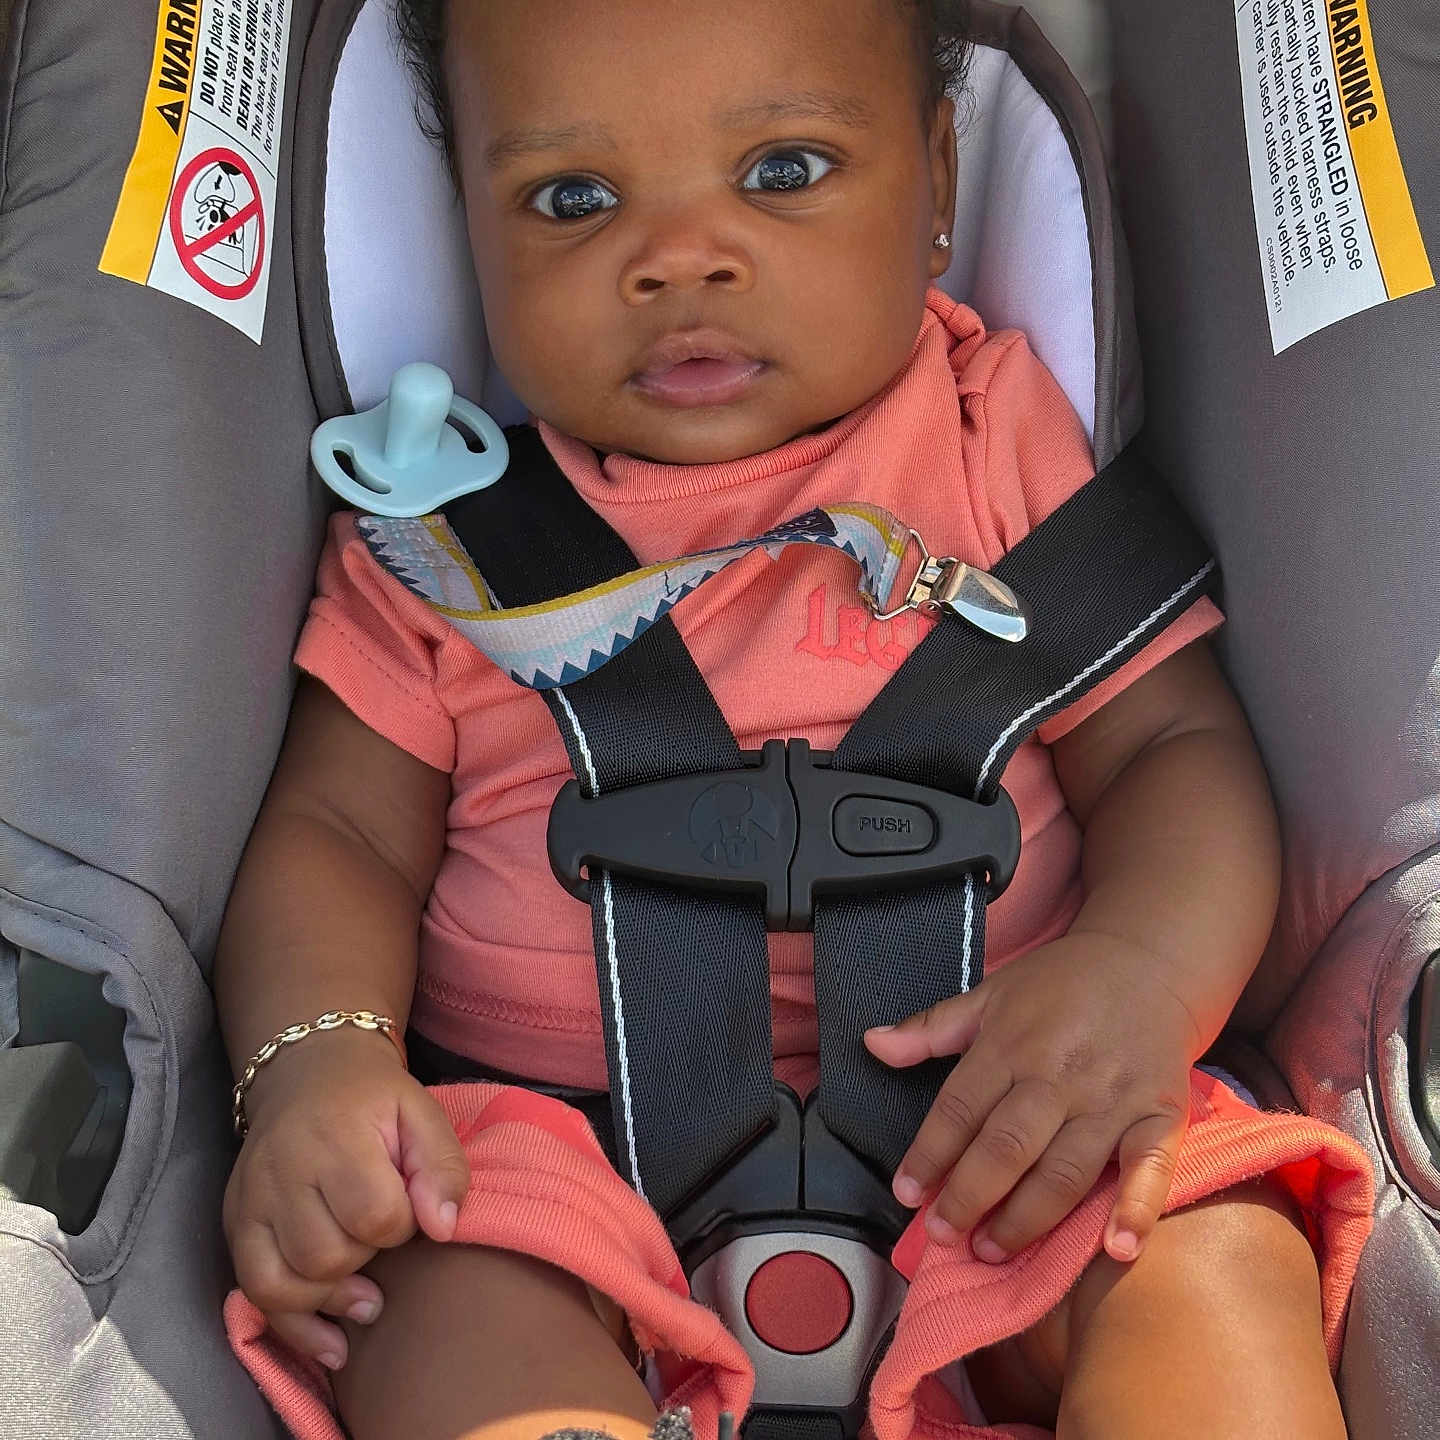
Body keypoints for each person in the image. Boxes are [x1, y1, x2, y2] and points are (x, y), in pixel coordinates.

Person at [215, 3, 1371, 1438]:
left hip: (1005, 1137)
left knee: (1201, 1236)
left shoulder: (997, 443)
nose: (680, 257)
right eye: (573, 199)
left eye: (784, 169)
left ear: (936, 185)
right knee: (421, 1266)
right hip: (553, 1167)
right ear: (471, 226)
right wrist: (318, 1052)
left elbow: (1176, 756)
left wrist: (1141, 977)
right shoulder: (447, 546)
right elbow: (335, 835)